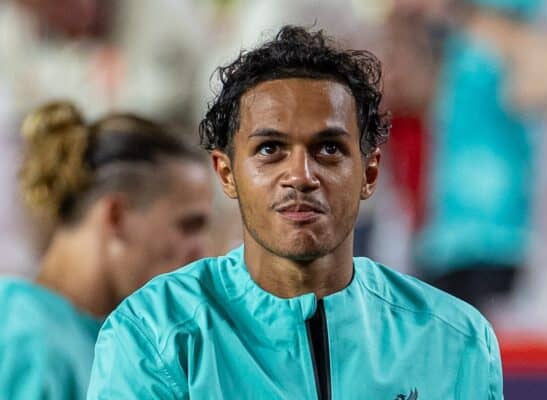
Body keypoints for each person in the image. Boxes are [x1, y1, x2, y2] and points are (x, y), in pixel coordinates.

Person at [87, 26, 503, 399]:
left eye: (329, 148)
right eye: (270, 150)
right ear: (227, 173)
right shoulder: (155, 336)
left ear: (370, 172)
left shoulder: (454, 339)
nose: (301, 176)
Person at [0, 101, 212, 399]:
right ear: (116, 216)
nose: (202, 253)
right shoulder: (22, 337)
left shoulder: (115, 343)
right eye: (187, 226)